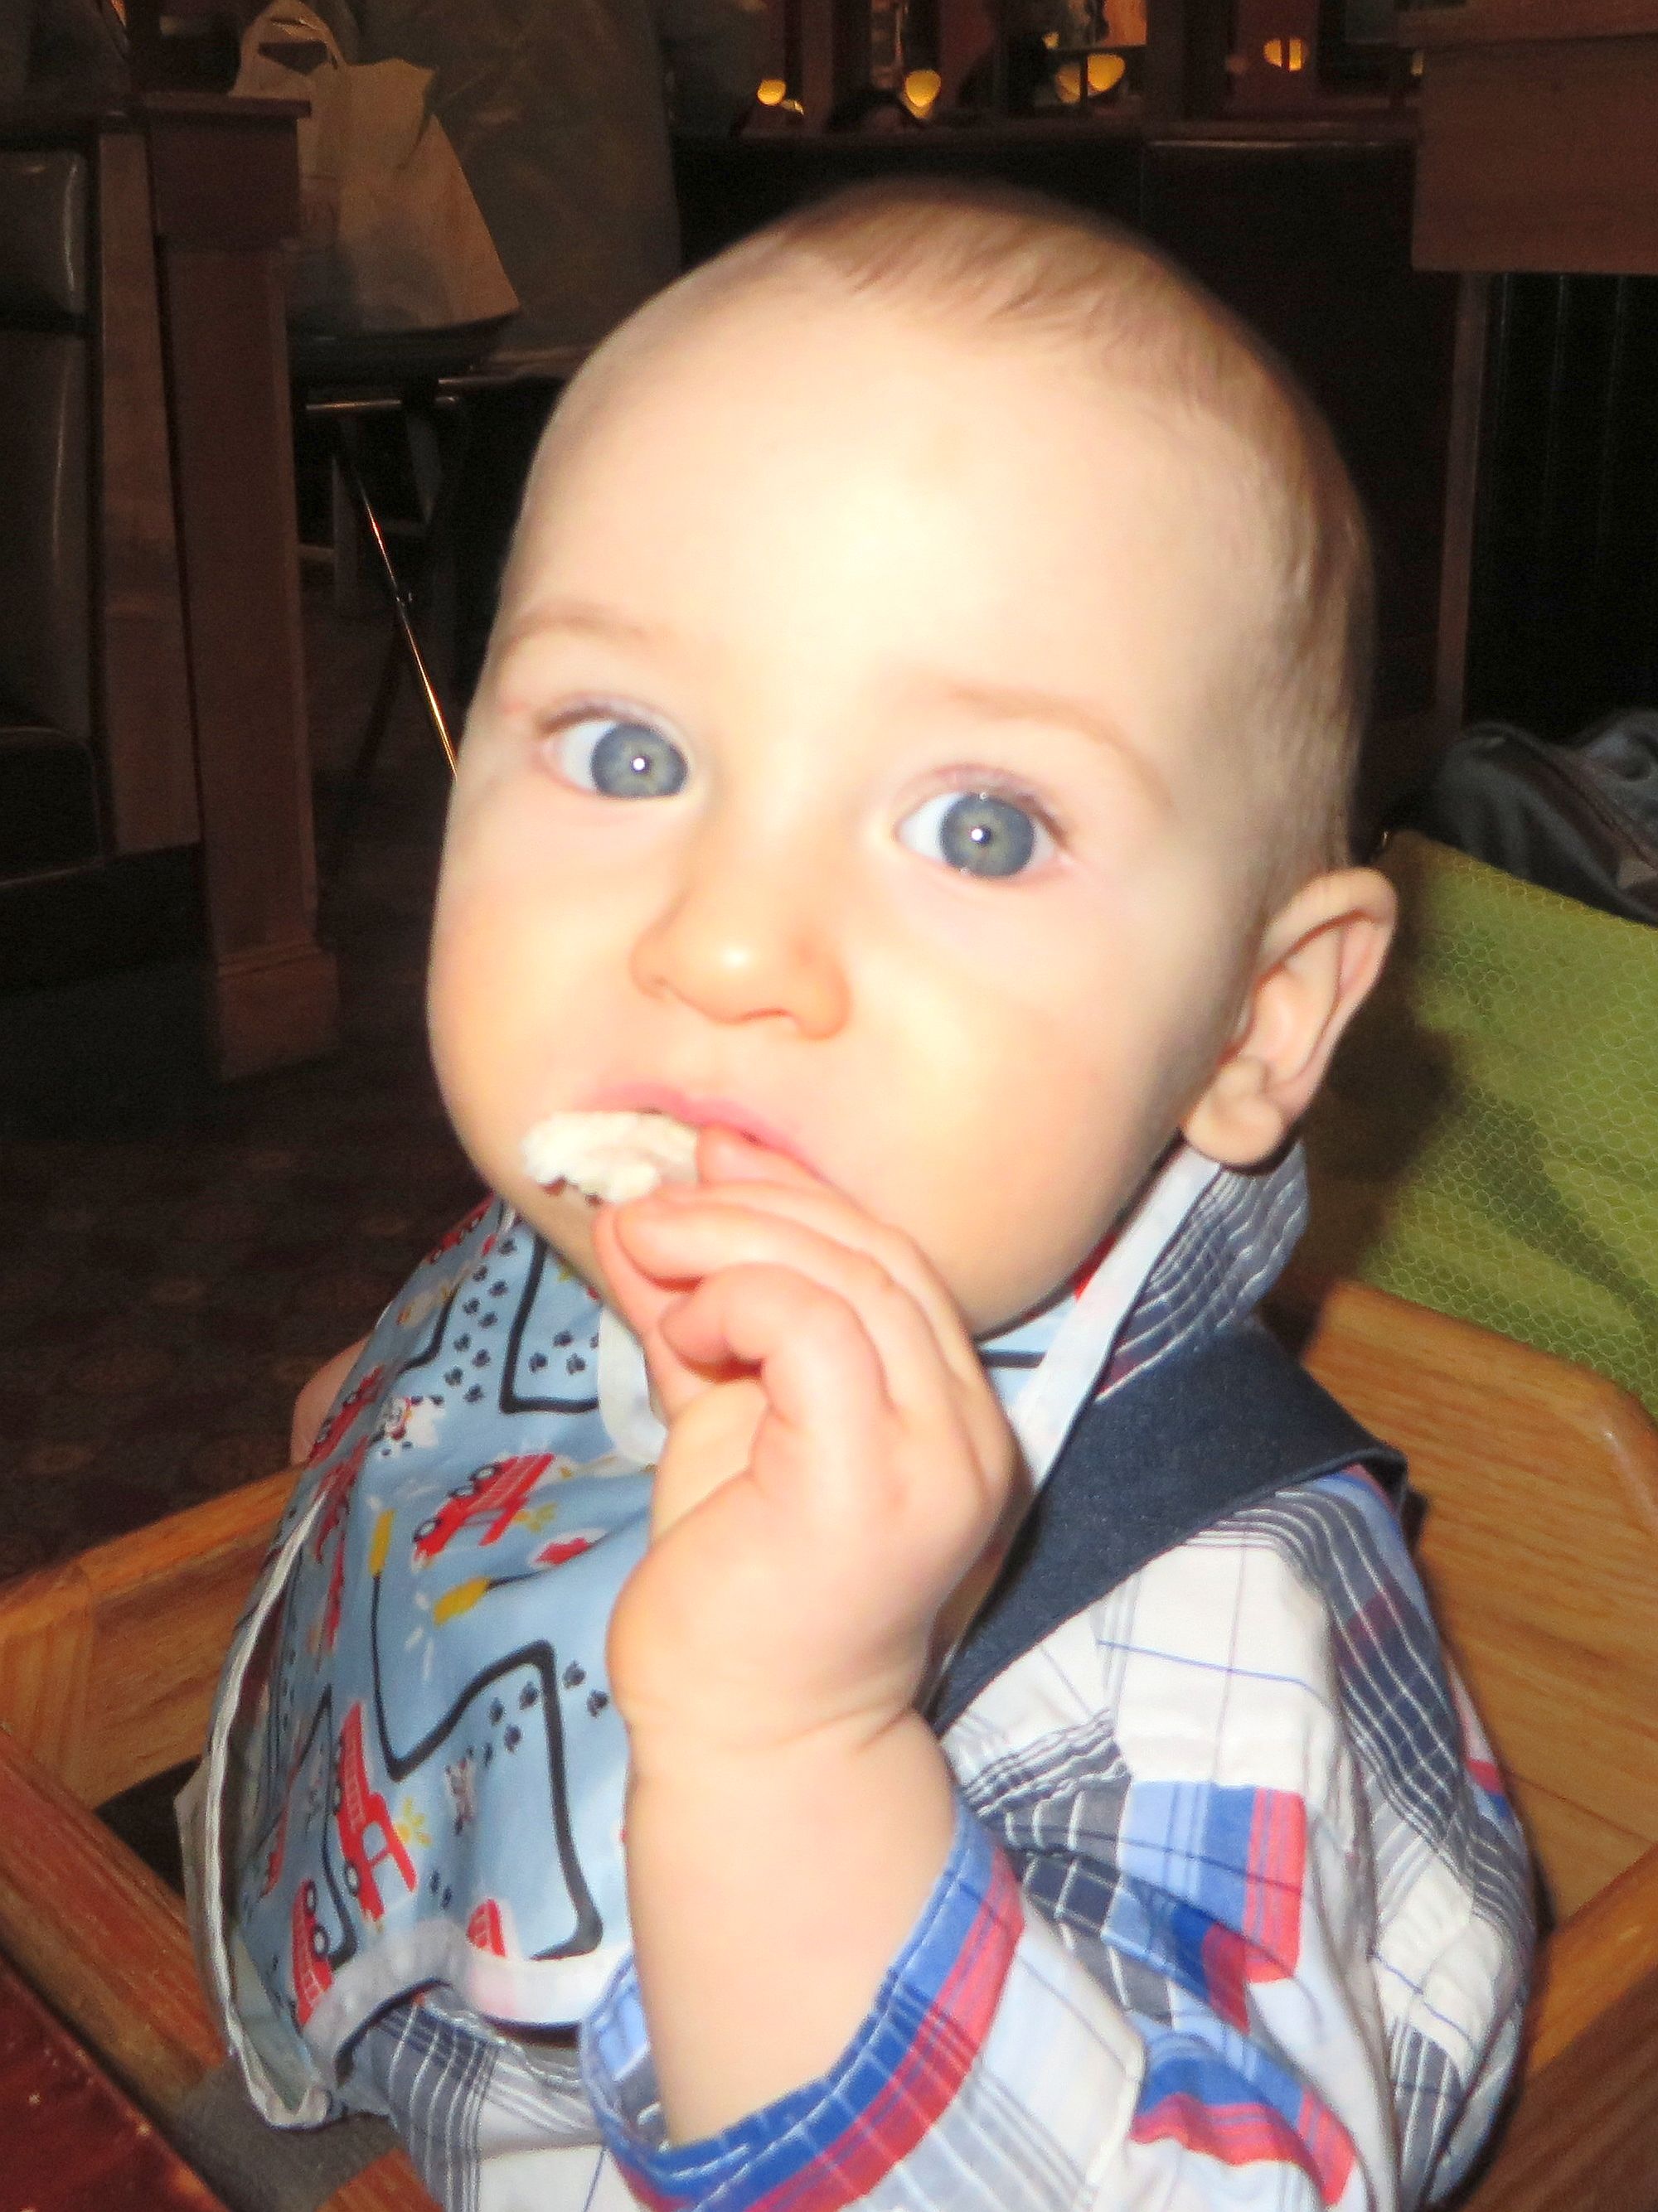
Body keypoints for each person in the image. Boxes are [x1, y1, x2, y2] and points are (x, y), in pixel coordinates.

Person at [187, 180, 1532, 2212]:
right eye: (627, 755)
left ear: (1258, 1023)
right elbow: (472, 1400)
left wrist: (791, 1752)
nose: (724, 942)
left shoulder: (1195, 1625)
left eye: (979, 827)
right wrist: (384, 1429)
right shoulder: (647, 1217)